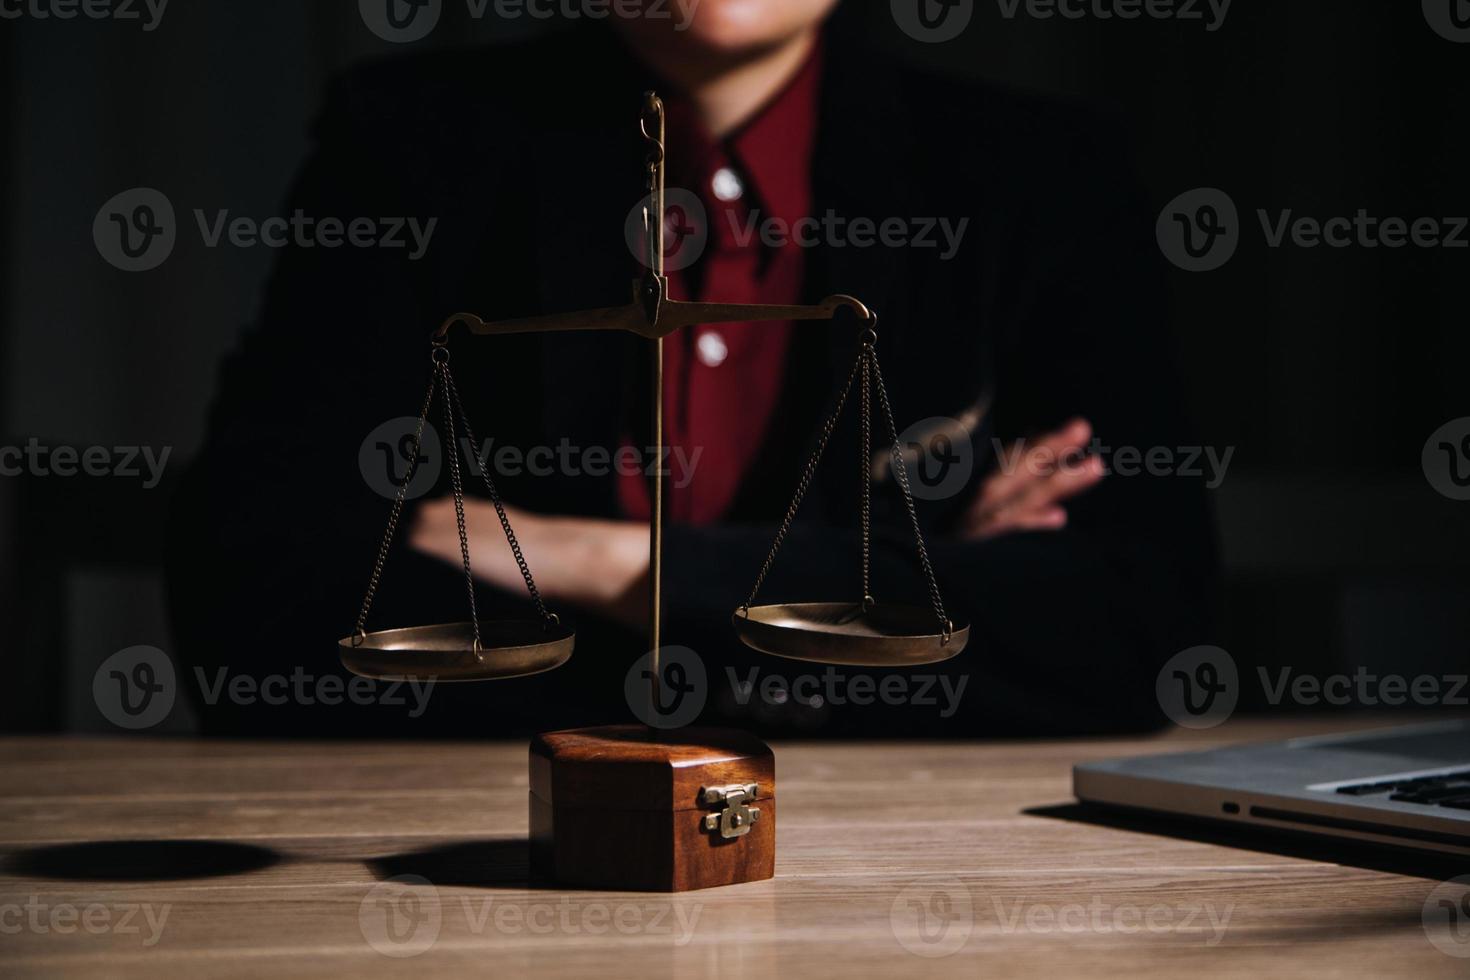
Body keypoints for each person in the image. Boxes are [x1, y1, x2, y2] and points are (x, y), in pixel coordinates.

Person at [167, 0, 1217, 737]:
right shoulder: (409, 145)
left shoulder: (1039, 171)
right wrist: (890, 583)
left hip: (918, 837)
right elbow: (256, 606)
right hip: (492, 824)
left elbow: (1134, 633)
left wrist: (599, 562)